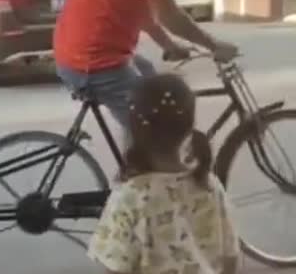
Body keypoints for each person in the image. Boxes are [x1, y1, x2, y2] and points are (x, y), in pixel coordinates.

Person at [53, 0, 239, 146]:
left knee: (157, 87)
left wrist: (168, 46)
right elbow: (168, 15)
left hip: (85, 52)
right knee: (153, 132)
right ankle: (137, 176)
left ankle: (139, 162)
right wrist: (214, 45)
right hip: (93, 63)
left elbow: (143, 13)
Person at [87, 73, 240, 274]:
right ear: (189, 127)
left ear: (134, 130)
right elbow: (230, 257)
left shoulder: (130, 197)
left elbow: (115, 266)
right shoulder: (209, 184)